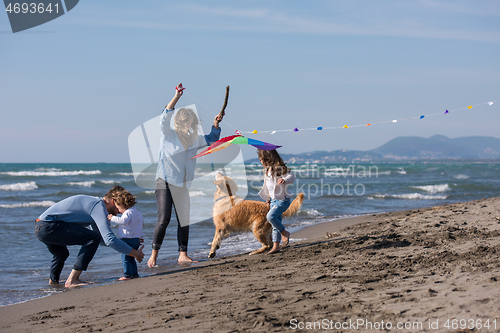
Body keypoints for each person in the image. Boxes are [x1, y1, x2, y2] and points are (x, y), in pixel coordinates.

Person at [148, 83, 222, 267]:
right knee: (164, 218)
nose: (187, 124)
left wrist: (215, 124)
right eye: (184, 121)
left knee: (184, 218)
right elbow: (163, 118)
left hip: (182, 183)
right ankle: (153, 256)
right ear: (178, 122)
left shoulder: (193, 139)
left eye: (189, 121)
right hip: (164, 180)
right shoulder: (168, 135)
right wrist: (177, 97)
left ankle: (183, 254)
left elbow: (212, 139)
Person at [34, 185, 145, 287]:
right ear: (112, 201)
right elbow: (108, 240)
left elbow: (103, 239)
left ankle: (53, 283)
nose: (120, 213)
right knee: (92, 238)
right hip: (49, 226)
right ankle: (72, 280)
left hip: (40, 227)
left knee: (62, 253)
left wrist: (126, 243)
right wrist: (135, 253)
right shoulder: (98, 206)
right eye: (119, 208)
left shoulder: (94, 205)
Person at [257, 149, 295, 254]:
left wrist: (285, 180)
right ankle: (276, 246)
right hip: (273, 200)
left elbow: (291, 176)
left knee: (270, 217)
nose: (260, 161)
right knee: (275, 224)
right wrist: (268, 198)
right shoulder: (267, 171)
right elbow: (269, 187)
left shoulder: (279, 169)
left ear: (267, 158)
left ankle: (284, 233)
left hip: (283, 199)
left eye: (261, 159)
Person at [107, 190, 144, 281]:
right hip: (135, 239)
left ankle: (127, 275)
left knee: (126, 258)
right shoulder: (137, 212)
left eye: (118, 208)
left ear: (122, 205)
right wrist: (140, 236)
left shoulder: (128, 212)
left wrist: (112, 218)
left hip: (127, 239)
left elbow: (123, 221)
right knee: (131, 257)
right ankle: (134, 274)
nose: (118, 211)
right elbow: (141, 224)